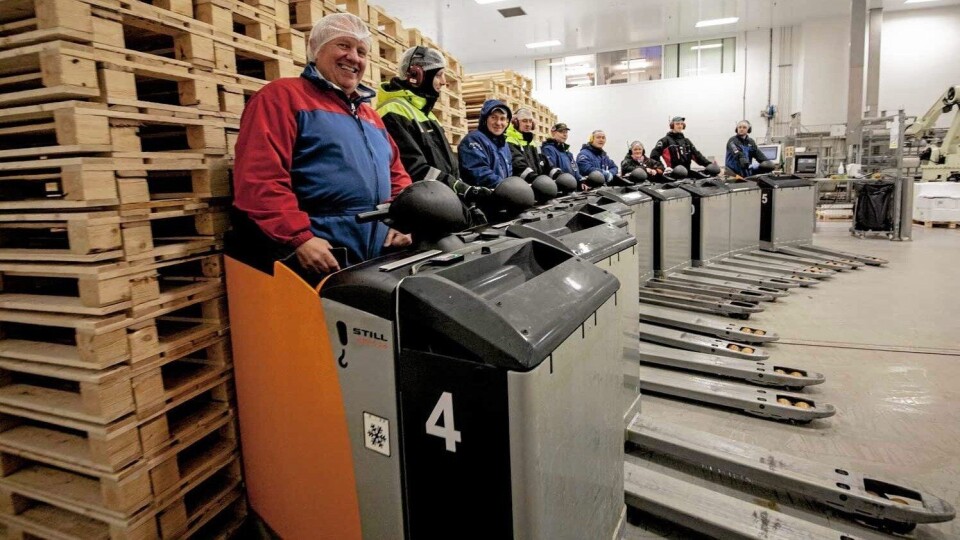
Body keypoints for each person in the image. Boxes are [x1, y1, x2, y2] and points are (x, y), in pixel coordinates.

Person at [232, 13, 412, 275]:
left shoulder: (371, 117)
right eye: (343, 45)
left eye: (361, 51)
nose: (354, 57)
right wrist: (299, 237)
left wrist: (403, 220)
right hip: (320, 252)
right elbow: (259, 178)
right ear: (316, 50)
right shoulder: (281, 98)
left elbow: (397, 175)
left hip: (376, 251)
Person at [376, 45, 460, 189]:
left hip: (444, 200)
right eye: (439, 75)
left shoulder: (426, 114)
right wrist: (458, 188)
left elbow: (448, 165)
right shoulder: (392, 113)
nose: (444, 81)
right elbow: (414, 169)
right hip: (424, 204)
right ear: (417, 75)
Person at [457, 99, 513, 188]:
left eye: (502, 119)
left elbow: (509, 173)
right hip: (481, 198)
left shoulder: (504, 144)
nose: (498, 123)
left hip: (501, 195)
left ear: (507, 122)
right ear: (485, 119)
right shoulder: (473, 140)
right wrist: (505, 187)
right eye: (493, 117)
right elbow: (478, 172)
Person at [506, 107, 551, 180]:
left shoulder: (533, 143)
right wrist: (536, 179)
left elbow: (545, 162)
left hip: (537, 184)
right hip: (522, 187)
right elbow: (519, 165)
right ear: (515, 122)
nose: (528, 124)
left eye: (530, 121)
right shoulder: (510, 141)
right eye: (524, 121)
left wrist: (555, 172)